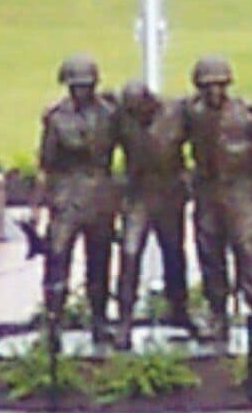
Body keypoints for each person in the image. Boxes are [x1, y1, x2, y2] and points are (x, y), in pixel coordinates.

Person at [179, 54, 252, 337]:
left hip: (238, 191)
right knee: (209, 253)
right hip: (207, 192)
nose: (214, 91)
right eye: (207, 86)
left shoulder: (246, 114)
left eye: (219, 85)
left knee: (248, 252)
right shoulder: (192, 114)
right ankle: (217, 315)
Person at [34, 53, 123, 337]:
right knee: (58, 259)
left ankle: (99, 319)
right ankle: (53, 322)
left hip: (100, 196)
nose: (81, 91)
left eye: (86, 86)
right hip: (67, 197)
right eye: (76, 86)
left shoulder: (110, 114)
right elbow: (46, 164)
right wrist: (39, 204)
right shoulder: (57, 119)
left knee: (100, 261)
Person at [111, 79, 192, 338]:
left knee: (174, 254)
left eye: (140, 110)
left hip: (169, 193)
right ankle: (124, 317)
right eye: (131, 111)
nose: (136, 116)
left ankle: (179, 309)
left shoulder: (178, 112)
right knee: (130, 252)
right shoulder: (122, 115)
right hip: (138, 195)